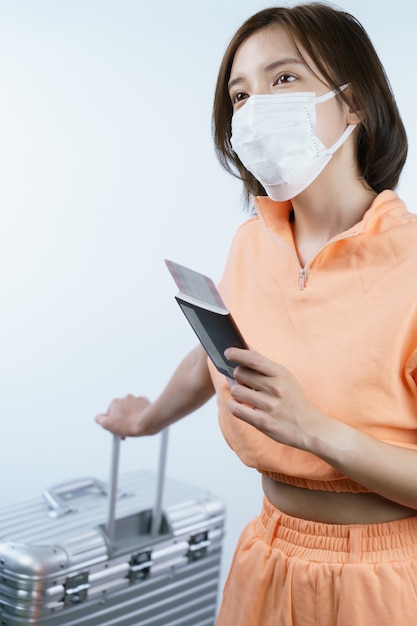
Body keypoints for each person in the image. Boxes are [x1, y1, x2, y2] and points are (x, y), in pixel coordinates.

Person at [96, 4, 417, 625]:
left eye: (285, 79)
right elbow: (226, 353)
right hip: (267, 557)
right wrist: (149, 418)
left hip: (384, 581)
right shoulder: (254, 240)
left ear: (355, 103)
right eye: (239, 95)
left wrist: (313, 428)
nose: (254, 107)